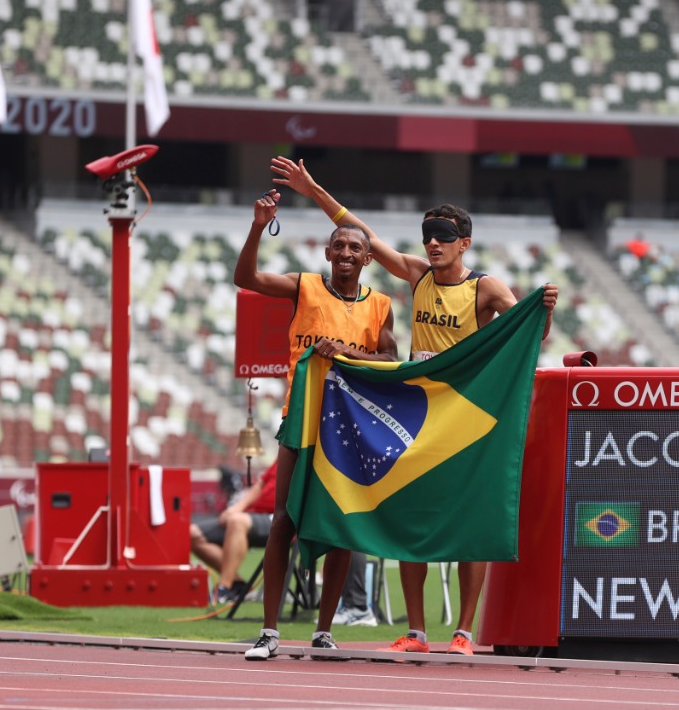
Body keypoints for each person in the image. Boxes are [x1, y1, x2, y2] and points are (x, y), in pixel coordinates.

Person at [272, 155, 558, 657]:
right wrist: (313, 189)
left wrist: (545, 310)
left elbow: (525, 337)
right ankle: (417, 632)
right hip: (417, 406)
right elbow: (357, 230)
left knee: (472, 516)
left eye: (443, 236)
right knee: (409, 510)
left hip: (465, 411)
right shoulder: (416, 274)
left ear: (463, 243)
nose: (433, 243)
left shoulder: (484, 288)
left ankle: (465, 633)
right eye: (429, 235)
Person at [236, 189, 400, 661]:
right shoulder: (305, 287)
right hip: (301, 417)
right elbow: (244, 277)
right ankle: (268, 632)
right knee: (283, 519)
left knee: (342, 525)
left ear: (368, 259)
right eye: (339, 247)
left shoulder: (380, 305)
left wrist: (348, 351)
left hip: (349, 427)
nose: (346, 254)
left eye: (355, 248)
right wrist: (257, 225)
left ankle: (324, 632)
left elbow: (390, 356)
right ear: (328, 253)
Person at [190, 459, 277, 604]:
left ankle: (224, 587)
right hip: (251, 514)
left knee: (237, 522)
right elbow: (261, 483)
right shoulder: (287, 451)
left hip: (280, 517)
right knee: (192, 533)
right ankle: (238, 586)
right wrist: (236, 508)